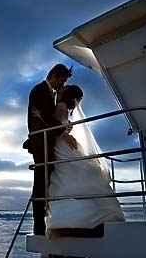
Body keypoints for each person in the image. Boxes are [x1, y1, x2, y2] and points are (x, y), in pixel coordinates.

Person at [44, 85, 125, 236]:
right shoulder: (61, 106)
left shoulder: (63, 107)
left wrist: (66, 131)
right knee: (88, 170)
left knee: (86, 170)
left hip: (63, 142)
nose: (78, 102)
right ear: (72, 97)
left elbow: (60, 126)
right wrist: (66, 133)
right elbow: (57, 128)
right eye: (79, 99)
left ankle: (75, 217)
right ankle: (89, 215)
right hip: (61, 144)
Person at [23, 64, 75, 236]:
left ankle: (45, 219)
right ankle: (39, 225)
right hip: (40, 140)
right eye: (62, 79)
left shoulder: (49, 92)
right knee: (41, 178)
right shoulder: (40, 89)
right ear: (54, 75)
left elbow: (49, 116)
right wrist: (64, 133)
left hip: (45, 140)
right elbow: (45, 116)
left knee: (47, 174)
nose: (62, 83)